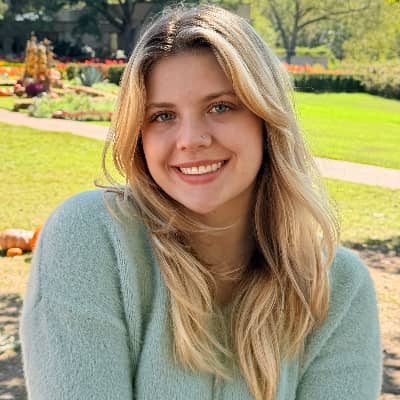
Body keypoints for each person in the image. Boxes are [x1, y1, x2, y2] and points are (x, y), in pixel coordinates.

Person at [20, 4, 382, 400]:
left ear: (266, 120)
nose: (191, 139)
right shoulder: (91, 238)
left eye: (220, 107)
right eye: (162, 116)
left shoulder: (337, 288)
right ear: (138, 135)